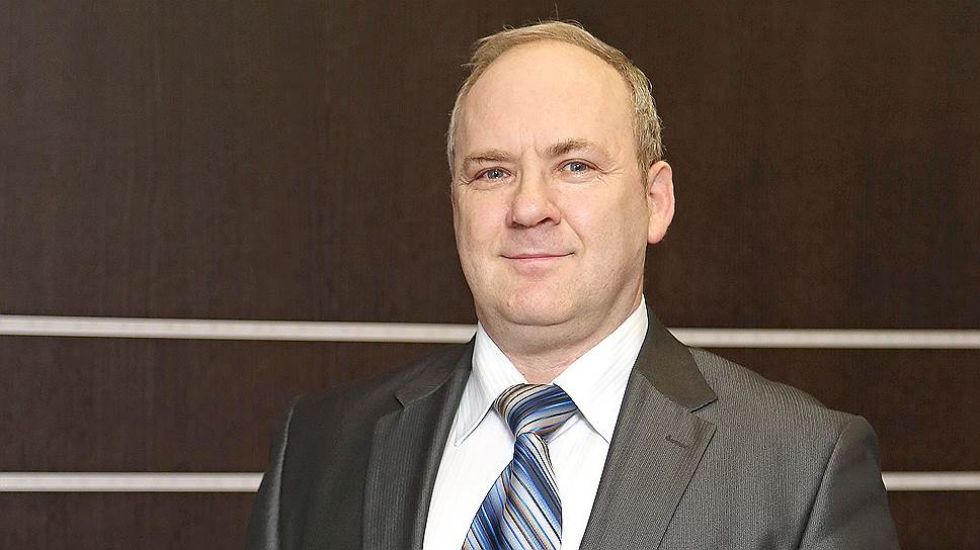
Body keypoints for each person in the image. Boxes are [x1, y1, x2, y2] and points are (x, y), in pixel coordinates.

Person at [247, 21, 899, 549]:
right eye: (492, 172)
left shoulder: (800, 467)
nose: (530, 207)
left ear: (656, 201)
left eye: (575, 166)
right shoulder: (320, 448)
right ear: (455, 206)